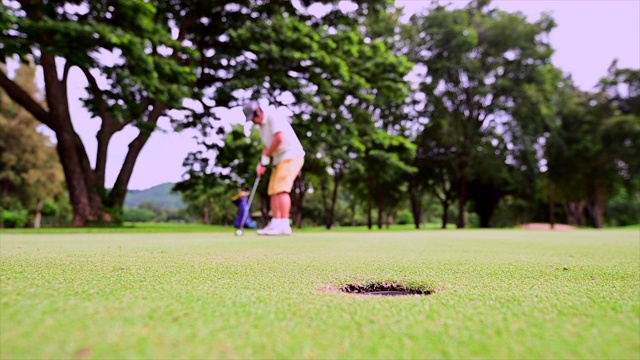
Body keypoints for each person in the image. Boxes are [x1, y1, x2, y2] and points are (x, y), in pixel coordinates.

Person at [242, 100, 305, 235]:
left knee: (281, 189)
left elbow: (279, 139)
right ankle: (276, 222)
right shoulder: (262, 127)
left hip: (291, 155)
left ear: (258, 111)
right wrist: (262, 163)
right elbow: (266, 147)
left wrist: (268, 154)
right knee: (273, 190)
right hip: (279, 159)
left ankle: (284, 224)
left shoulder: (272, 115)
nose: (253, 121)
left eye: (253, 117)